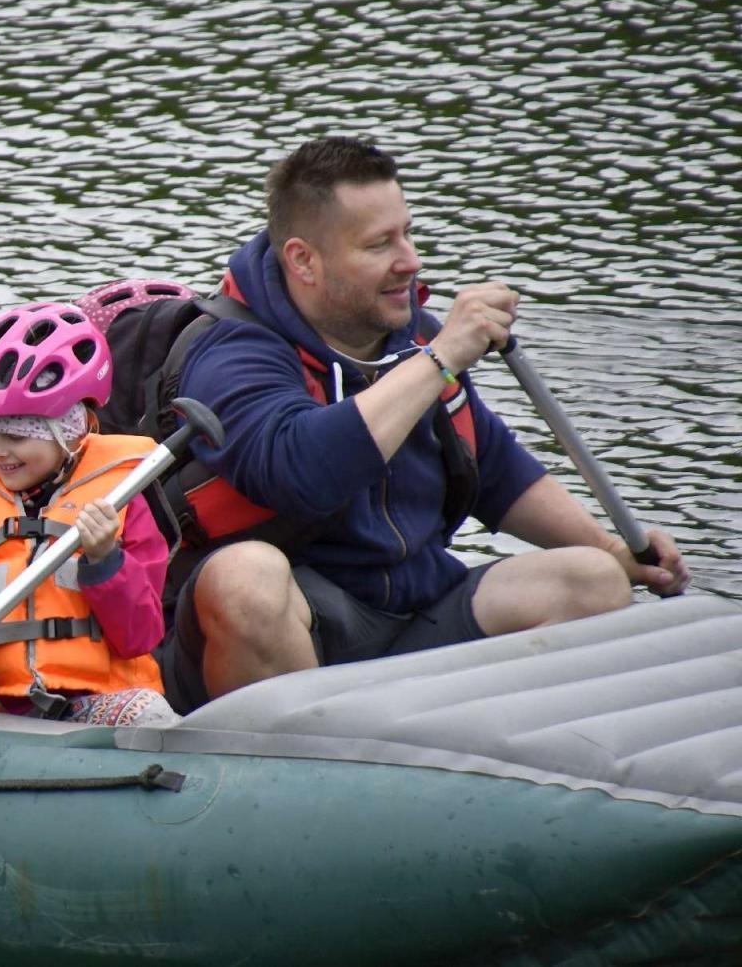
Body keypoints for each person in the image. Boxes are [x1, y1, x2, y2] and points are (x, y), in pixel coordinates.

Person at [159, 136, 690, 711]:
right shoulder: (231, 353)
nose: (410, 261)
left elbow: (494, 470)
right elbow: (298, 471)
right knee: (244, 578)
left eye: (407, 233)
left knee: (592, 581)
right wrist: (440, 360)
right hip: (299, 622)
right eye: (380, 244)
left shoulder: (412, 334)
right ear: (303, 260)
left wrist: (614, 548)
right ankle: (299, 778)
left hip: (417, 606)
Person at [0, 302, 176, 728]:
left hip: (94, 701)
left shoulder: (121, 501)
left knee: (150, 717)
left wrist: (104, 559)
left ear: (68, 431)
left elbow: (141, 635)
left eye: (17, 437)